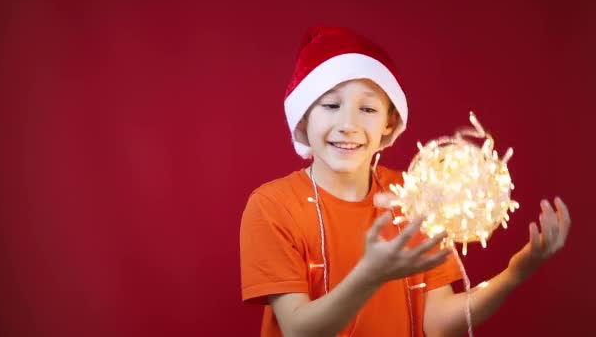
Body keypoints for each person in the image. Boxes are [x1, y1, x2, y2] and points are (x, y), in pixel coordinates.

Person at [239, 26, 571, 337]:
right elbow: (299, 330)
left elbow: (439, 322)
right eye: (330, 105)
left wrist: (514, 274)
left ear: (389, 121)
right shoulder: (272, 206)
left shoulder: (415, 196)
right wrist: (369, 276)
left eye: (367, 109)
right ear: (303, 118)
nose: (348, 124)